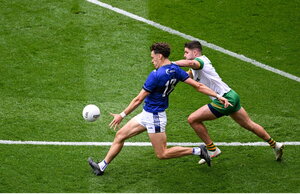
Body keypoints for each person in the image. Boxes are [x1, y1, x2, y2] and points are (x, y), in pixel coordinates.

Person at [88, 42, 232, 176]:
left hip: (155, 117)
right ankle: (101, 166)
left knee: (162, 154)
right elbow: (198, 86)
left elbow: (138, 99)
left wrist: (122, 114)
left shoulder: (155, 75)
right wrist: (217, 95)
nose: (152, 61)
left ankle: (198, 150)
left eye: (153, 57)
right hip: (148, 114)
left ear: (160, 56)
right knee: (120, 135)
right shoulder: (176, 70)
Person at [174, 40, 284, 164]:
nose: (184, 55)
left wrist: (171, 64)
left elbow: (190, 62)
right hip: (232, 95)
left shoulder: (200, 61)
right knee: (249, 124)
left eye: (186, 52)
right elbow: (187, 76)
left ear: (195, 52)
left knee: (192, 119)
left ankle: (212, 149)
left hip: (224, 99)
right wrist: (170, 74)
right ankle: (275, 145)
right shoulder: (195, 67)